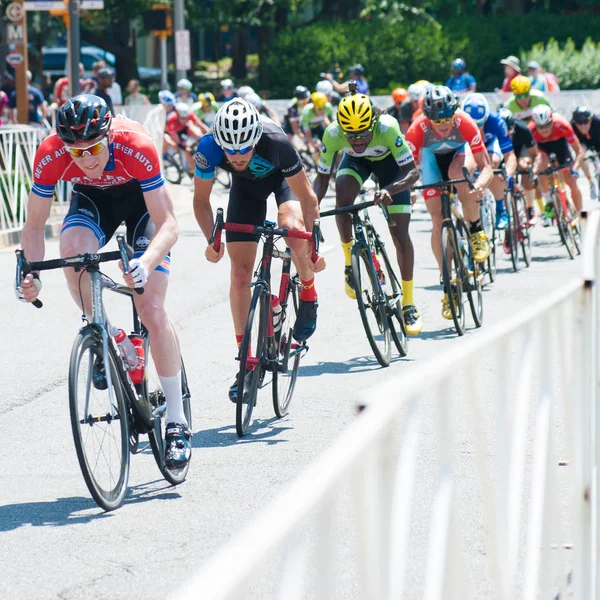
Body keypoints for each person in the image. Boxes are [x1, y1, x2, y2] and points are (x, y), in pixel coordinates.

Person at [16, 94, 191, 469]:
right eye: (76, 153)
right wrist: (31, 273)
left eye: (94, 147)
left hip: (143, 207)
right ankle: (109, 335)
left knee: (152, 308)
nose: (88, 158)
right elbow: (33, 226)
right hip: (94, 201)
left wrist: (146, 260)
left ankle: (176, 422)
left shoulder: (136, 145)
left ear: (108, 134)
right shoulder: (51, 154)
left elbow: (169, 225)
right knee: (73, 253)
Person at [191, 99, 325, 401]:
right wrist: (212, 241)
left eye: (244, 148)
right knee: (239, 276)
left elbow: (308, 199)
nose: (237, 156)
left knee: (290, 225)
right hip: (246, 191)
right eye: (230, 150)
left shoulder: (277, 142)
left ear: (255, 139)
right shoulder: (208, 148)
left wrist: (315, 247)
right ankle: (247, 363)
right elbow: (201, 201)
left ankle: (307, 290)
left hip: (282, 183)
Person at [312, 87, 422, 334]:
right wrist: (310, 208)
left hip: (391, 170)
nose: (358, 140)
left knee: (400, 234)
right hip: (356, 165)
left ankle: (408, 303)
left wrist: (390, 190)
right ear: (341, 128)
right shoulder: (332, 133)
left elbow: (412, 172)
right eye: (351, 136)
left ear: (373, 123)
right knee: (343, 198)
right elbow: (321, 180)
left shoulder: (388, 127)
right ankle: (350, 260)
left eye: (363, 134)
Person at [406, 86, 493, 320]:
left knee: (459, 176)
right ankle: (447, 283)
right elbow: (407, 169)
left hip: (459, 156)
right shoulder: (417, 130)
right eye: (437, 119)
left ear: (455, 112)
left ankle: (475, 232)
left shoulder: (464, 122)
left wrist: (480, 186)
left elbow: (486, 166)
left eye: (447, 117)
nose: (443, 124)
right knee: (437, 222)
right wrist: (408, 191)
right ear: (427, 118)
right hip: (433, 164)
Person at [462, 93, 515, 231]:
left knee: (493, 163)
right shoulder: (459, 122)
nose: (477, 128)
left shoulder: (497, 122)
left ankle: (500, 209)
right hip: (471, 147)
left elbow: (509, 155)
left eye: (480, 124)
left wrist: (508, 174)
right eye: (473, 124)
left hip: (490, 145)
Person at [528, 104, 584, 221]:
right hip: (542, 149)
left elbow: (579, 150)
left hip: (560, 146)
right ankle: (549, 201)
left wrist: (575, 169)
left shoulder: (562, 125)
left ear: (552, 120)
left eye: (547, 125)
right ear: (535, 124)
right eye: (540, 126)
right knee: (542, 172)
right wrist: (534, 171)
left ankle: (581, 215)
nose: (544, 130)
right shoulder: (531, 131)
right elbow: (534, 156)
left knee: (571, 181)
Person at [498, 108, 542, 225]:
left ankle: (530, 207)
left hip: (519, 150)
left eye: (510, 132)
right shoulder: (493, 131)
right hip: (502, 152)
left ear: (513, 127)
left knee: (523, 166)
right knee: (499, 176)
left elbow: (535, 154)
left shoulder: (522, 129)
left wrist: (533, 172)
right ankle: (507, 219)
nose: (508, 136)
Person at [164, 102, 209, 175]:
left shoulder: (189, 114)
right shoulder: (171, 121)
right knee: (186, 150)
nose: (185, 120)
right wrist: (184, 147)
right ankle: (192, 170)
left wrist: (210, 133)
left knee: (199, 135)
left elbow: (200, 125)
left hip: (184, 128)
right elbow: (177, 141)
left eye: (186, 118)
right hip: (174, 134)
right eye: (182, 118)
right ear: (177, 115)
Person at [571, 106, 600, 199]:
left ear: (591, 120)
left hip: (598, 141)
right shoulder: (571, 126)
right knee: (580, 155)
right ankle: (590, 181)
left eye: (586, 122)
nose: (583, 126)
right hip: (584, 142)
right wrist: (574, 169)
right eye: (579, 123)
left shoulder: (598, 121)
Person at [301, 91, 334, 160]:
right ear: (314, 106)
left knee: (328, 144)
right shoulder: (307, 112)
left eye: (323, 107)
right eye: (319, 108)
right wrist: (313, 144)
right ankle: (317, 163)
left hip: (318, 126)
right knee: (316, 148)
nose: (322, 110)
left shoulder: (328, 107)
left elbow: (332, 124)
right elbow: (307, 133)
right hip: (309, 129)